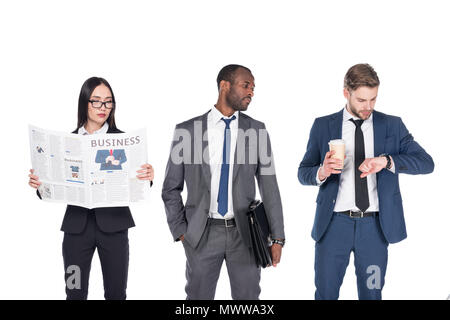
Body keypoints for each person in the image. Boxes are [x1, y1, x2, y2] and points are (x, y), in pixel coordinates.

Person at [298, 64, 434, 300]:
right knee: (326, 294)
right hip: (333, 226)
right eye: (361, 100)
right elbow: (303, 172)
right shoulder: (322, 125)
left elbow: (426, 163)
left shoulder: (392, 125)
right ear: (346, 93)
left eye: (373, 99)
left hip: (374, 229)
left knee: (372, 294)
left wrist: (387, 161)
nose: (368, 107)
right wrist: (322, 171)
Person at [162, 64, 285, 300]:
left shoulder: (257, 130)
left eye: (253, 87)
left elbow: (270, 187)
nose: (251, 91)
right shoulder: (187, 131)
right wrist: (181, 232)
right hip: (201, 234)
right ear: (224, 86)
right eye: (245, 85)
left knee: (248, 302)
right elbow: (170, 187)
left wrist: (277, 237)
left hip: (246, 234)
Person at [28, 77, 154, 300]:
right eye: (96, 101)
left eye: (108, 102)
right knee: (73, 291)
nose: (102, 108)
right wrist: (40, 185)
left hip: (115, 229)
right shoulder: (67, 141)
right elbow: (50, 189)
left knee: (116, 294)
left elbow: (137, 183)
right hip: (76, 230)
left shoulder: (124, 140)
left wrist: (148, 177)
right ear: (84, 103)